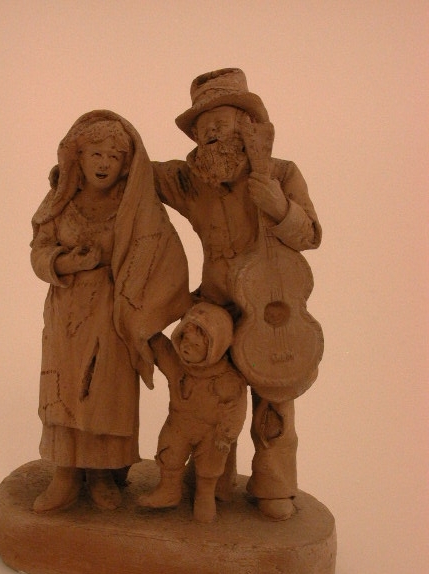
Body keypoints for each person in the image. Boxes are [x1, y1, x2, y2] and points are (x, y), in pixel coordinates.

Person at [152, 68, 322, 520]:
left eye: (221, 122)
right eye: (203, 127)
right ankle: (212, 482)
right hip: (216, 309)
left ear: (247, 126)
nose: (211, 132)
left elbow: (310, 235)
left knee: (275, 398)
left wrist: (279, 207)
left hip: (269, 307)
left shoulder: (281, 173)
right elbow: (140, 175)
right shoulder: (190, 180)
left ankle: (274, 485)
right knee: (211, 397)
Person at [30, 110, 191, 513]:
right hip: (66, 314)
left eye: (114, 156)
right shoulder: (61, 200)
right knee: (65, 391)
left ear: (126, 165)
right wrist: (65, 262)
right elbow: (39, 251)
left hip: (114, 314)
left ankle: (103, 474)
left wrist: (144, 304)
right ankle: (65, 474)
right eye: (96, 154)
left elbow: (161, 250)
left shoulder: (134, 204)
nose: (104, 163)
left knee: (105, 394)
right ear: (79, 157)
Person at [139, 302, 247, 523]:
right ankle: (169, 490)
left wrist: (226, 434)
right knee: (170, 454)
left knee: (210, 466)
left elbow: (235, 410)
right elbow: (161, 347)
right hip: (178, 425)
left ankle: (205, 496)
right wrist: (147, 326)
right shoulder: (177, 365)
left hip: (211, 432)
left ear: (215, 347)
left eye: (195, 345)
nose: (186, 348)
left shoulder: (228, 380)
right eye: (184, 340)